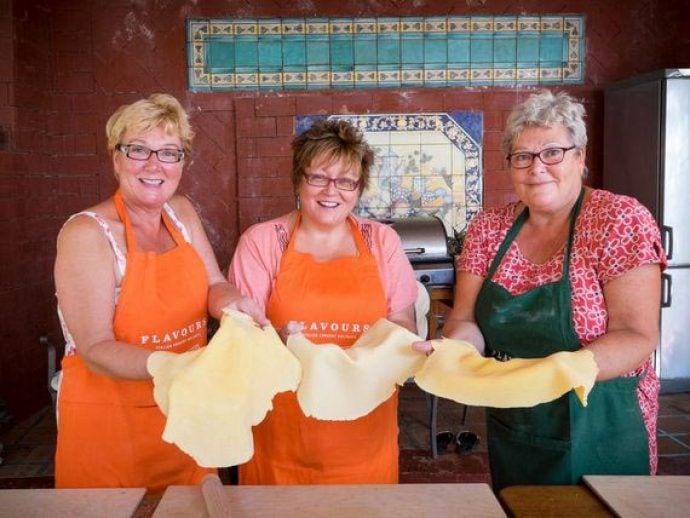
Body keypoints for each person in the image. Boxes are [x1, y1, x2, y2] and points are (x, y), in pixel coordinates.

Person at [415, 90, 666, 491]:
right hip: (518, 419)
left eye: (552, 152)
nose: (537, 168)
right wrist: (454, 350)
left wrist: (557, 371)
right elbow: (465, 320)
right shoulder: (488, 229)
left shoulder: (619, 219)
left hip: (602, 420)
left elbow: (637, 335)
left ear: (580, 157)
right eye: (522, 156)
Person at [53, 93, 265, 493]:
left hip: (186, 417)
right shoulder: (86, 235)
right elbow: (96, 347)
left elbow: (214, 285)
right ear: (116, 159)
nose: (155, 166)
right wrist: (180, 367)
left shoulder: (181, 214)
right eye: (138, 150)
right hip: (112, 430)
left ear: (182, 163)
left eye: (170, 153)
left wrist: (233, 307)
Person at [228, 119, 418, 484]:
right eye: (319, 177)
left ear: (359, 188)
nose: (332, 191)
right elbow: (240, 338)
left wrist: (403, 349)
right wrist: (277, 339)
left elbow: (403, 324)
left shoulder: (382, 242)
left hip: (365, 433)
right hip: (282, 436)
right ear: (299, 179)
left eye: (346, 181)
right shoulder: (263, 242)